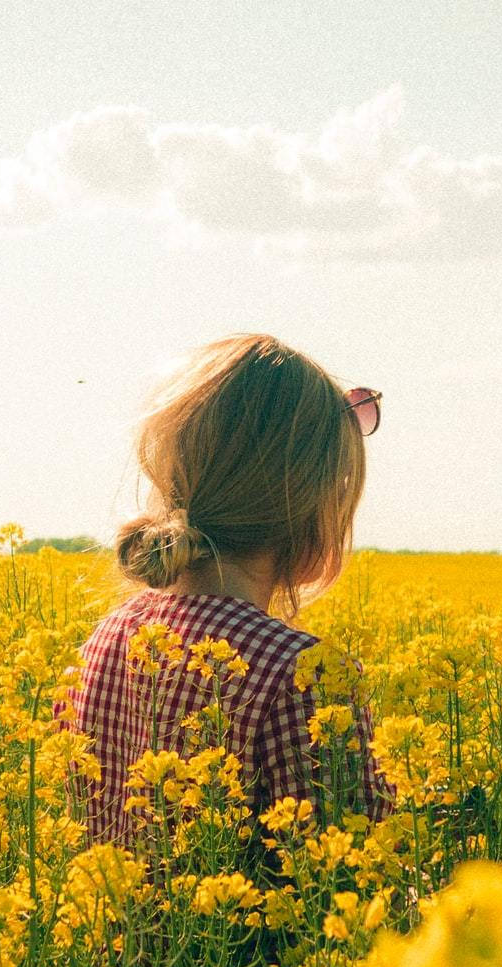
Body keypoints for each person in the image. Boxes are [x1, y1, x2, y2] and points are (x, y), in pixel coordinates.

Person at [52, 333, 394, 871]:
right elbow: (347, 878)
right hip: (247, 958)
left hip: (106, 951)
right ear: (314, 512)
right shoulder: (304, 676)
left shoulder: (109, 636)